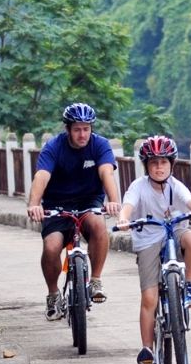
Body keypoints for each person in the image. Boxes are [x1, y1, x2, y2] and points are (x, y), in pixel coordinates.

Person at [115, 135, 191, 364]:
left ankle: (188, 284)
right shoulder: (138, 186)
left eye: (163, 162)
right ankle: (147, 350)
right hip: (148, 239)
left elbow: (190, 202)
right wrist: (123, 219)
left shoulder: (175, 184)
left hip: (175, 231)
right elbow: (128, 206)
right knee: (149, 298)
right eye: (153, 163)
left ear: (171, 163)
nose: (159, 167)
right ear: (146, 166)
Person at [25, 102, 122, 320]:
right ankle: (53, 294)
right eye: (77, 129)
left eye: (86, 129)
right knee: (51, 246)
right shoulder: (54, 147)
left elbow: (107, 172)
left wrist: (114, 201)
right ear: (67, 129)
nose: (82, 134)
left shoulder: (100, 145)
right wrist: (34, 204)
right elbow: (42, 176)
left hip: (89, 201)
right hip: (57, 203)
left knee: (98, 226)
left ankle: (95, 281)